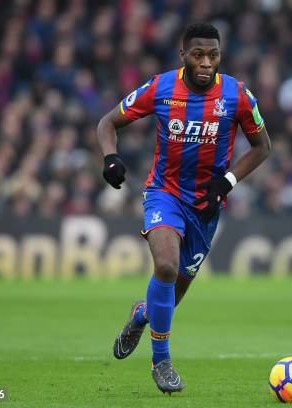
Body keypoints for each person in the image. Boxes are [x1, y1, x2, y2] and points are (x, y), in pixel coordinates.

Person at [97, 22, 271, 394]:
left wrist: (228, 181)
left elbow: (262, 147)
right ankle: (162, 362)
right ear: (183, 56)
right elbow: (107, 123)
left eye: (213, 55)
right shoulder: (160, 88)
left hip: (207, 206)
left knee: (169, 298)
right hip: (164, 193)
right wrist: (110, 158)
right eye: (198, 55)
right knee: (165, 266)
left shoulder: (238, 95)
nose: (206, 62)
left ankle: (142, 314)